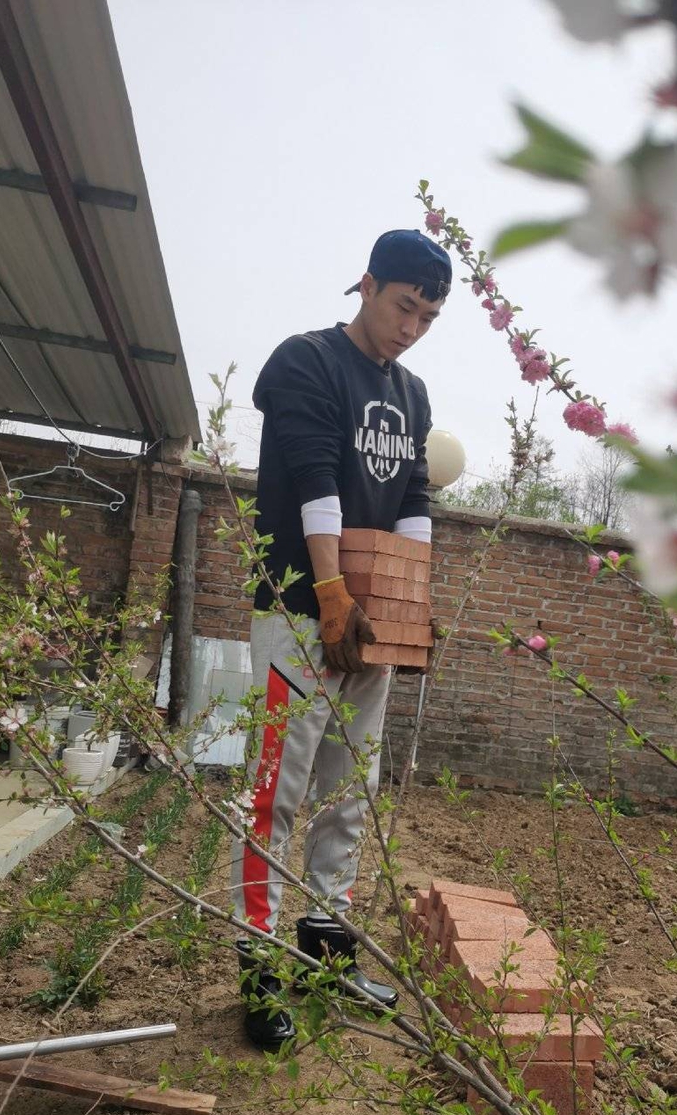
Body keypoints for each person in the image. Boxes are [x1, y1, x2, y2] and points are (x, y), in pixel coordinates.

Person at [231, 229, 450, 1050]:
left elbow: (415, 498)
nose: (410, 327)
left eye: (428, 317)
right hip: (297, 613)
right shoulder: (306, 363)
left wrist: (409, 606)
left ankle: (326, 951)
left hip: (372, 632)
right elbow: (315, 477)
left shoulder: (414, 395)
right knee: (274, 798)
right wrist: (329, 595)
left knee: (347, 794)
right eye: (403, 306)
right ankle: (257, 970)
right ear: (366, 285)